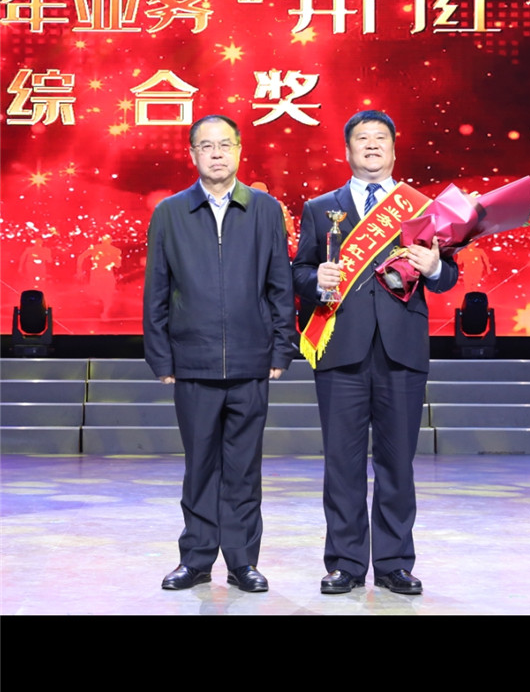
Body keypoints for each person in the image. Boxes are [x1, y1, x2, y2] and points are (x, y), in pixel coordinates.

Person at [293, 111, 458, 596]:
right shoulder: (321, 207)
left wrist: (433, 267)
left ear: (393, 148)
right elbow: (298, 271)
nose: (371, 145)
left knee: (397, 463)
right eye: (361, 138)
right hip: (340, 349)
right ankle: (345, 563)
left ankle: (394, 563)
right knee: (341, 464)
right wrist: (315, 279)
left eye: (380, 138)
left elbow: (449, 277)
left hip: (401, 350)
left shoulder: (422, 208)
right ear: (347, 151)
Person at [143, 115, 296, 593]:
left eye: (224, 145)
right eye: (206, 146)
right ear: (192, 153)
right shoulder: (170, 212)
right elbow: (157, 289)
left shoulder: (265, 209)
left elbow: (280, 284)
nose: (216, 154)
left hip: (251, 360)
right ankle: (195, 560)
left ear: (239, 150)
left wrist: (282, 348)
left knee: (244, 469)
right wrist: (161, 357)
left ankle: (242, 562)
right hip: (193, 361)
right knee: (200, 467)